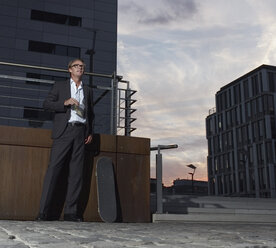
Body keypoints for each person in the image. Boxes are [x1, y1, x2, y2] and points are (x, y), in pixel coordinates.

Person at [36, 58, 94, 222]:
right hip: (64, 131)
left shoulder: (87, 90)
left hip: (80, 133)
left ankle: (71, 213)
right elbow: (46, 104)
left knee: (76, 174)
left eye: (82, 66)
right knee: (53, 170)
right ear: (69, 69)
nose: (80, 68)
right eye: (76, 66)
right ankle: (43, 212)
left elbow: (91, 113)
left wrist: (90, 131)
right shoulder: (60, 86)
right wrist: (65, 102)